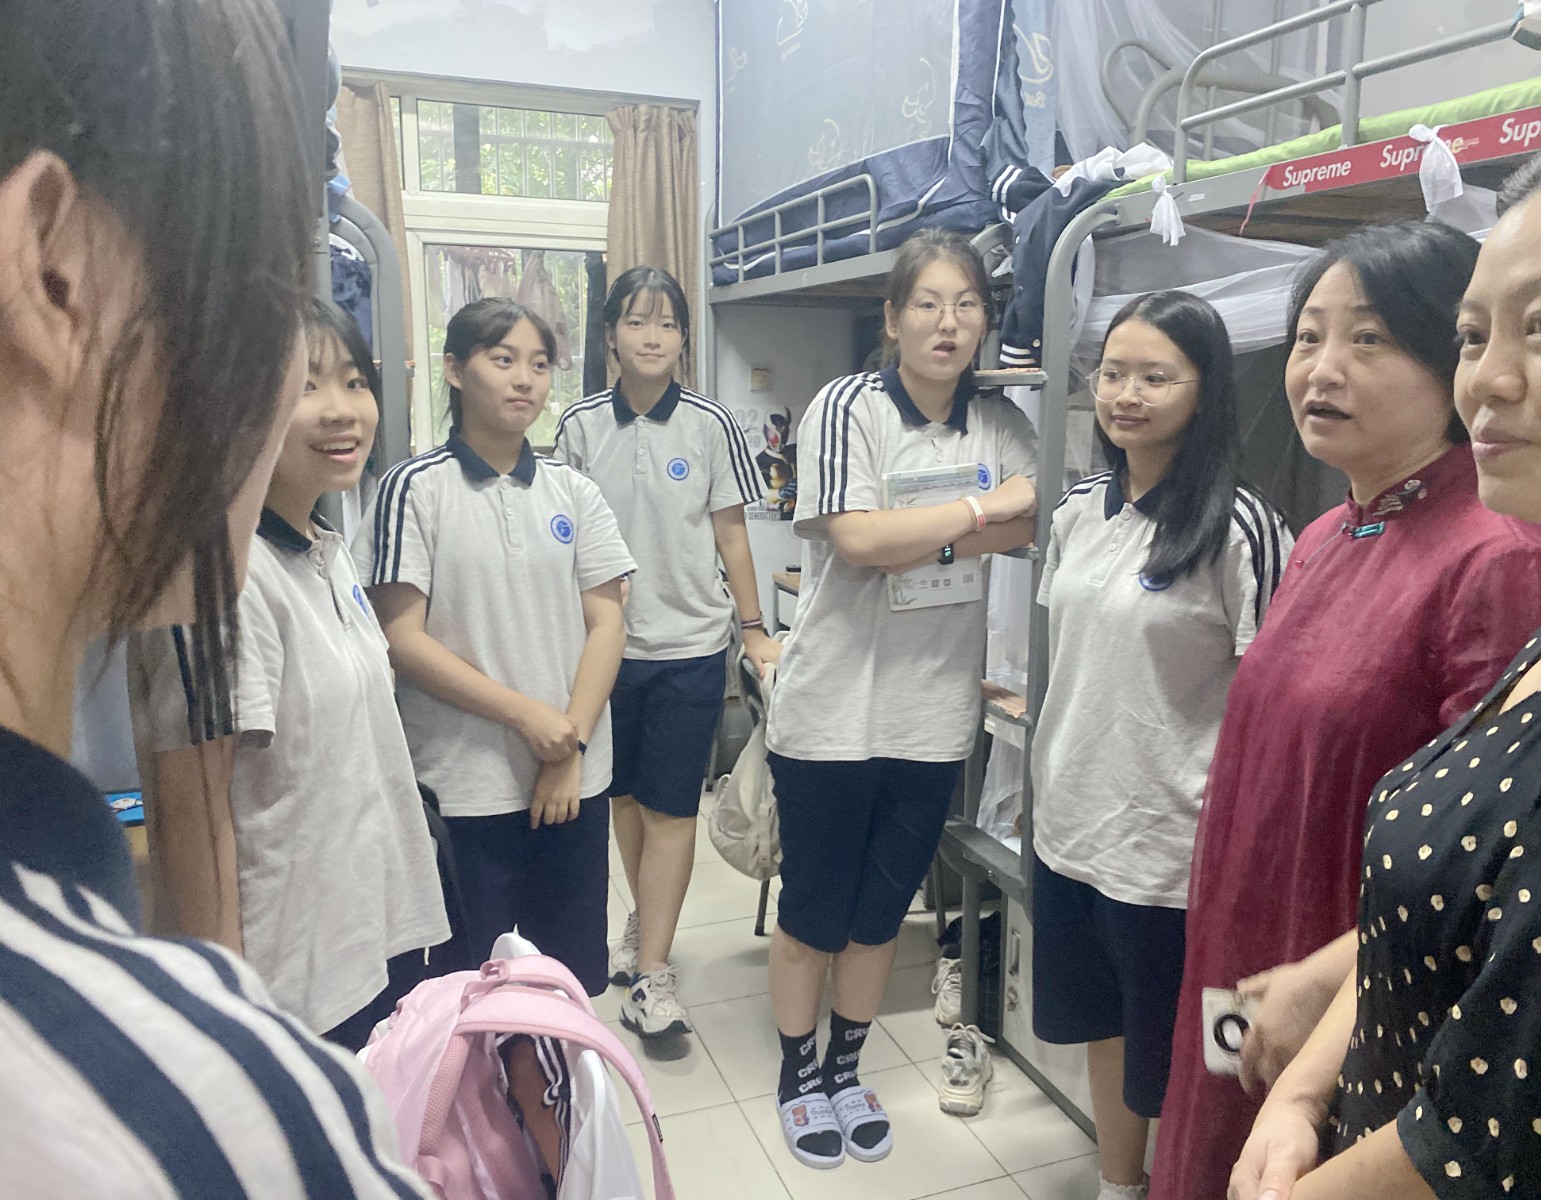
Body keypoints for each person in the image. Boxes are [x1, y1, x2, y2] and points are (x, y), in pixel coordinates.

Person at [0, 0, 430, 1191]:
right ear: (59, 274)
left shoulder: (328, 550)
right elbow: (202, 826)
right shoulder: (202, 1118)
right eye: (265, 299)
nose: (302, 394)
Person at [1150, 221, 1541, 1200]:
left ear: (1445, 365)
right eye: (1307, 337)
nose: (1322, 368)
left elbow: (1497, 870)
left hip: (1355, 994)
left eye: (1369, 338)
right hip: (1251, 944)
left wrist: (1331, 986)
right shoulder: (1327, 533)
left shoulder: (1499, 557)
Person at [762, 229, 1039, 1169]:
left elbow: (1037, 513)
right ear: (892, 317)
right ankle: (798, 1076)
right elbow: (859, 540)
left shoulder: (997, 419)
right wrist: (977, 512)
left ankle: (846, 1069)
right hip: (832, 711)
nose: (947, 322)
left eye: (966, 304)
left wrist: (930, 532)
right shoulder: (849, 406)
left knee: (881, 913)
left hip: (930, 716)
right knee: (815, 911)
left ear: (985, 320)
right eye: (927, 303)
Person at [130, 301, 450, 1049]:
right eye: (305, 386)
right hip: (287, 988)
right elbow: (190, 815)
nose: (341, 410)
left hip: (368, 939)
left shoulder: (322, 548)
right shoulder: (214, 575)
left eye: (354, 381)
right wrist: (231, 1022)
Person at [1030, 292, 1290, 1200]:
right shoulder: (1076, 511)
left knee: (1195, 1050)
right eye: (1112, 374)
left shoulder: (1240, 527)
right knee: (1106, 1027)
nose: (1125, 395)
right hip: (1072, 829)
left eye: (1155, 377)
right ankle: (1119, 1185)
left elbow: (1270, 708)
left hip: (1173, 851)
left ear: (1205, 388)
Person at [357, 298, 633, 998]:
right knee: (470, 992)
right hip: (465, 788)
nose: (525, 379)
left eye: (539, 364)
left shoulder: (574, 491)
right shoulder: (413, 489)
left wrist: (567, 746)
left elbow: (607, 623)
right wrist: (529, 718)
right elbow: (401, 639)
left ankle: (558, 1078)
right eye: (503, 359)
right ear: (454, 369)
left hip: (572, 781)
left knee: (564, 986)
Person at [552, 266, 780, 1040]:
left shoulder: (710, 424)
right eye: (637, 321)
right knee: (623, 800)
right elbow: (564, 542)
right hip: (603, 651)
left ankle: (653, 970)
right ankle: (644, 921)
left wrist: (754, 628)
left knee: (672, 808)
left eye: (668, 323)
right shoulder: (580, 426)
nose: (653, 337)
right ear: (610, 335)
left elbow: (732, 535)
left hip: (689, 647)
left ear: (684, 338)